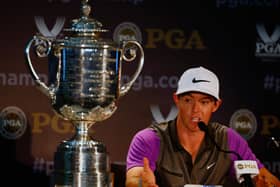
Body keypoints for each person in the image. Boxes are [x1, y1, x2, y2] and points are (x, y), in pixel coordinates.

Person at [125, 66, 280, 187]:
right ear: (176, 100)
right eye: (188, 100)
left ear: (216, 105)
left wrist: (266, 184)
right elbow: (134, 179)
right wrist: (142, 184)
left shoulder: (229, 141)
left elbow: (267, 180)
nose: (195, 109)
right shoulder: (149, 139)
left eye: (204, 102)